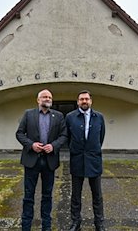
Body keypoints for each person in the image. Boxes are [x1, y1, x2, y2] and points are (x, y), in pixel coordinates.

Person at [16, 89, 68, 231]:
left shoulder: (58, 116)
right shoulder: (28, 114)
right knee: (28, 195)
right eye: (44, 96)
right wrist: (31, 145)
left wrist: (54, 145)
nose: (47, 99)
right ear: (38, 100)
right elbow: (20, 133)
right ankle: (26, 226)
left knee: (47, 195)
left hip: (49, 161)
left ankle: (46, 226)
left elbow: (64, 135)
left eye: (50, 97)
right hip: (31, 160)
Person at [65, 90, 106, 231]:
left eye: (87, 99)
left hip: (94, 160)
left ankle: (99, 223)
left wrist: (92, 150)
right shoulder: (70, 117)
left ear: (91, 101)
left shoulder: (99, 117)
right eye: (81, 99)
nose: (84, 101)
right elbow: (68, 137)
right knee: (76, 195)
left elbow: (100, 138)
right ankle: (75, 222)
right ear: (77, 102)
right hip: (77, 160)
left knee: (97, 195)